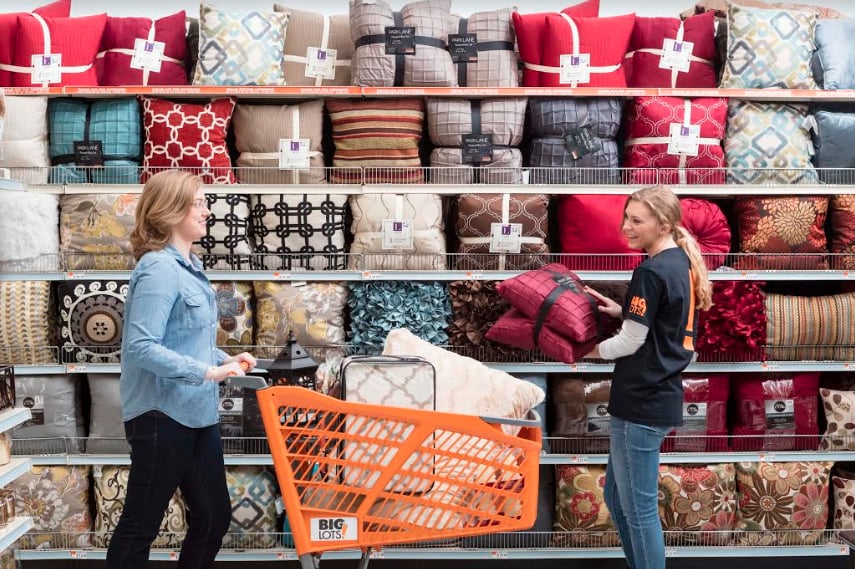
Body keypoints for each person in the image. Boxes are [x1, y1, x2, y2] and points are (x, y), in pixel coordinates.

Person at [107, 170, 256, 568]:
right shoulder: (157, 269)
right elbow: (141, 347)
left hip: (196, 414)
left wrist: (225, 360)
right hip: (161, 415)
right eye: (199, 203)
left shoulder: (191, 266)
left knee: (213, 517)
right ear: (171, 210)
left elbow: (188, 339)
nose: (207, 211)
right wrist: (208, 373)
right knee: (140, 526)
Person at [584, 185, 712, 569]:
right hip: (657, 394)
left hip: (640, 402)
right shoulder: (679, 263)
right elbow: (661, 323)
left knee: (639, 510)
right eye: (626, 217)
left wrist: (587, 351)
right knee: (616, 499)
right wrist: (623, 311)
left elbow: (630, 342)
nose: (626, 227)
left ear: (664, 225)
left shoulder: (650, 271)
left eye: (637, 220)